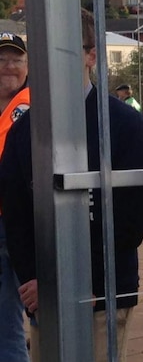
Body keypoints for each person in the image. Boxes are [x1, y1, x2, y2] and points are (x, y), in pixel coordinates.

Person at [0, 9, 143, 362]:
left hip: (103, 292)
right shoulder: (26, 129)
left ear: (90, 55)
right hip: (44, 296)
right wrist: (37, 282)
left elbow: (129, 220)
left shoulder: (124, 124)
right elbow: (18, 214)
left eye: (64, 50)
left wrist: (74, 281)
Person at [0, 32, 30, 362]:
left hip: (32, 221)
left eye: (17, 59)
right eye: (2, 59)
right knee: (5, 320)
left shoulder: (40, 103)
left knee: (45, 309)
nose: (9, 66)